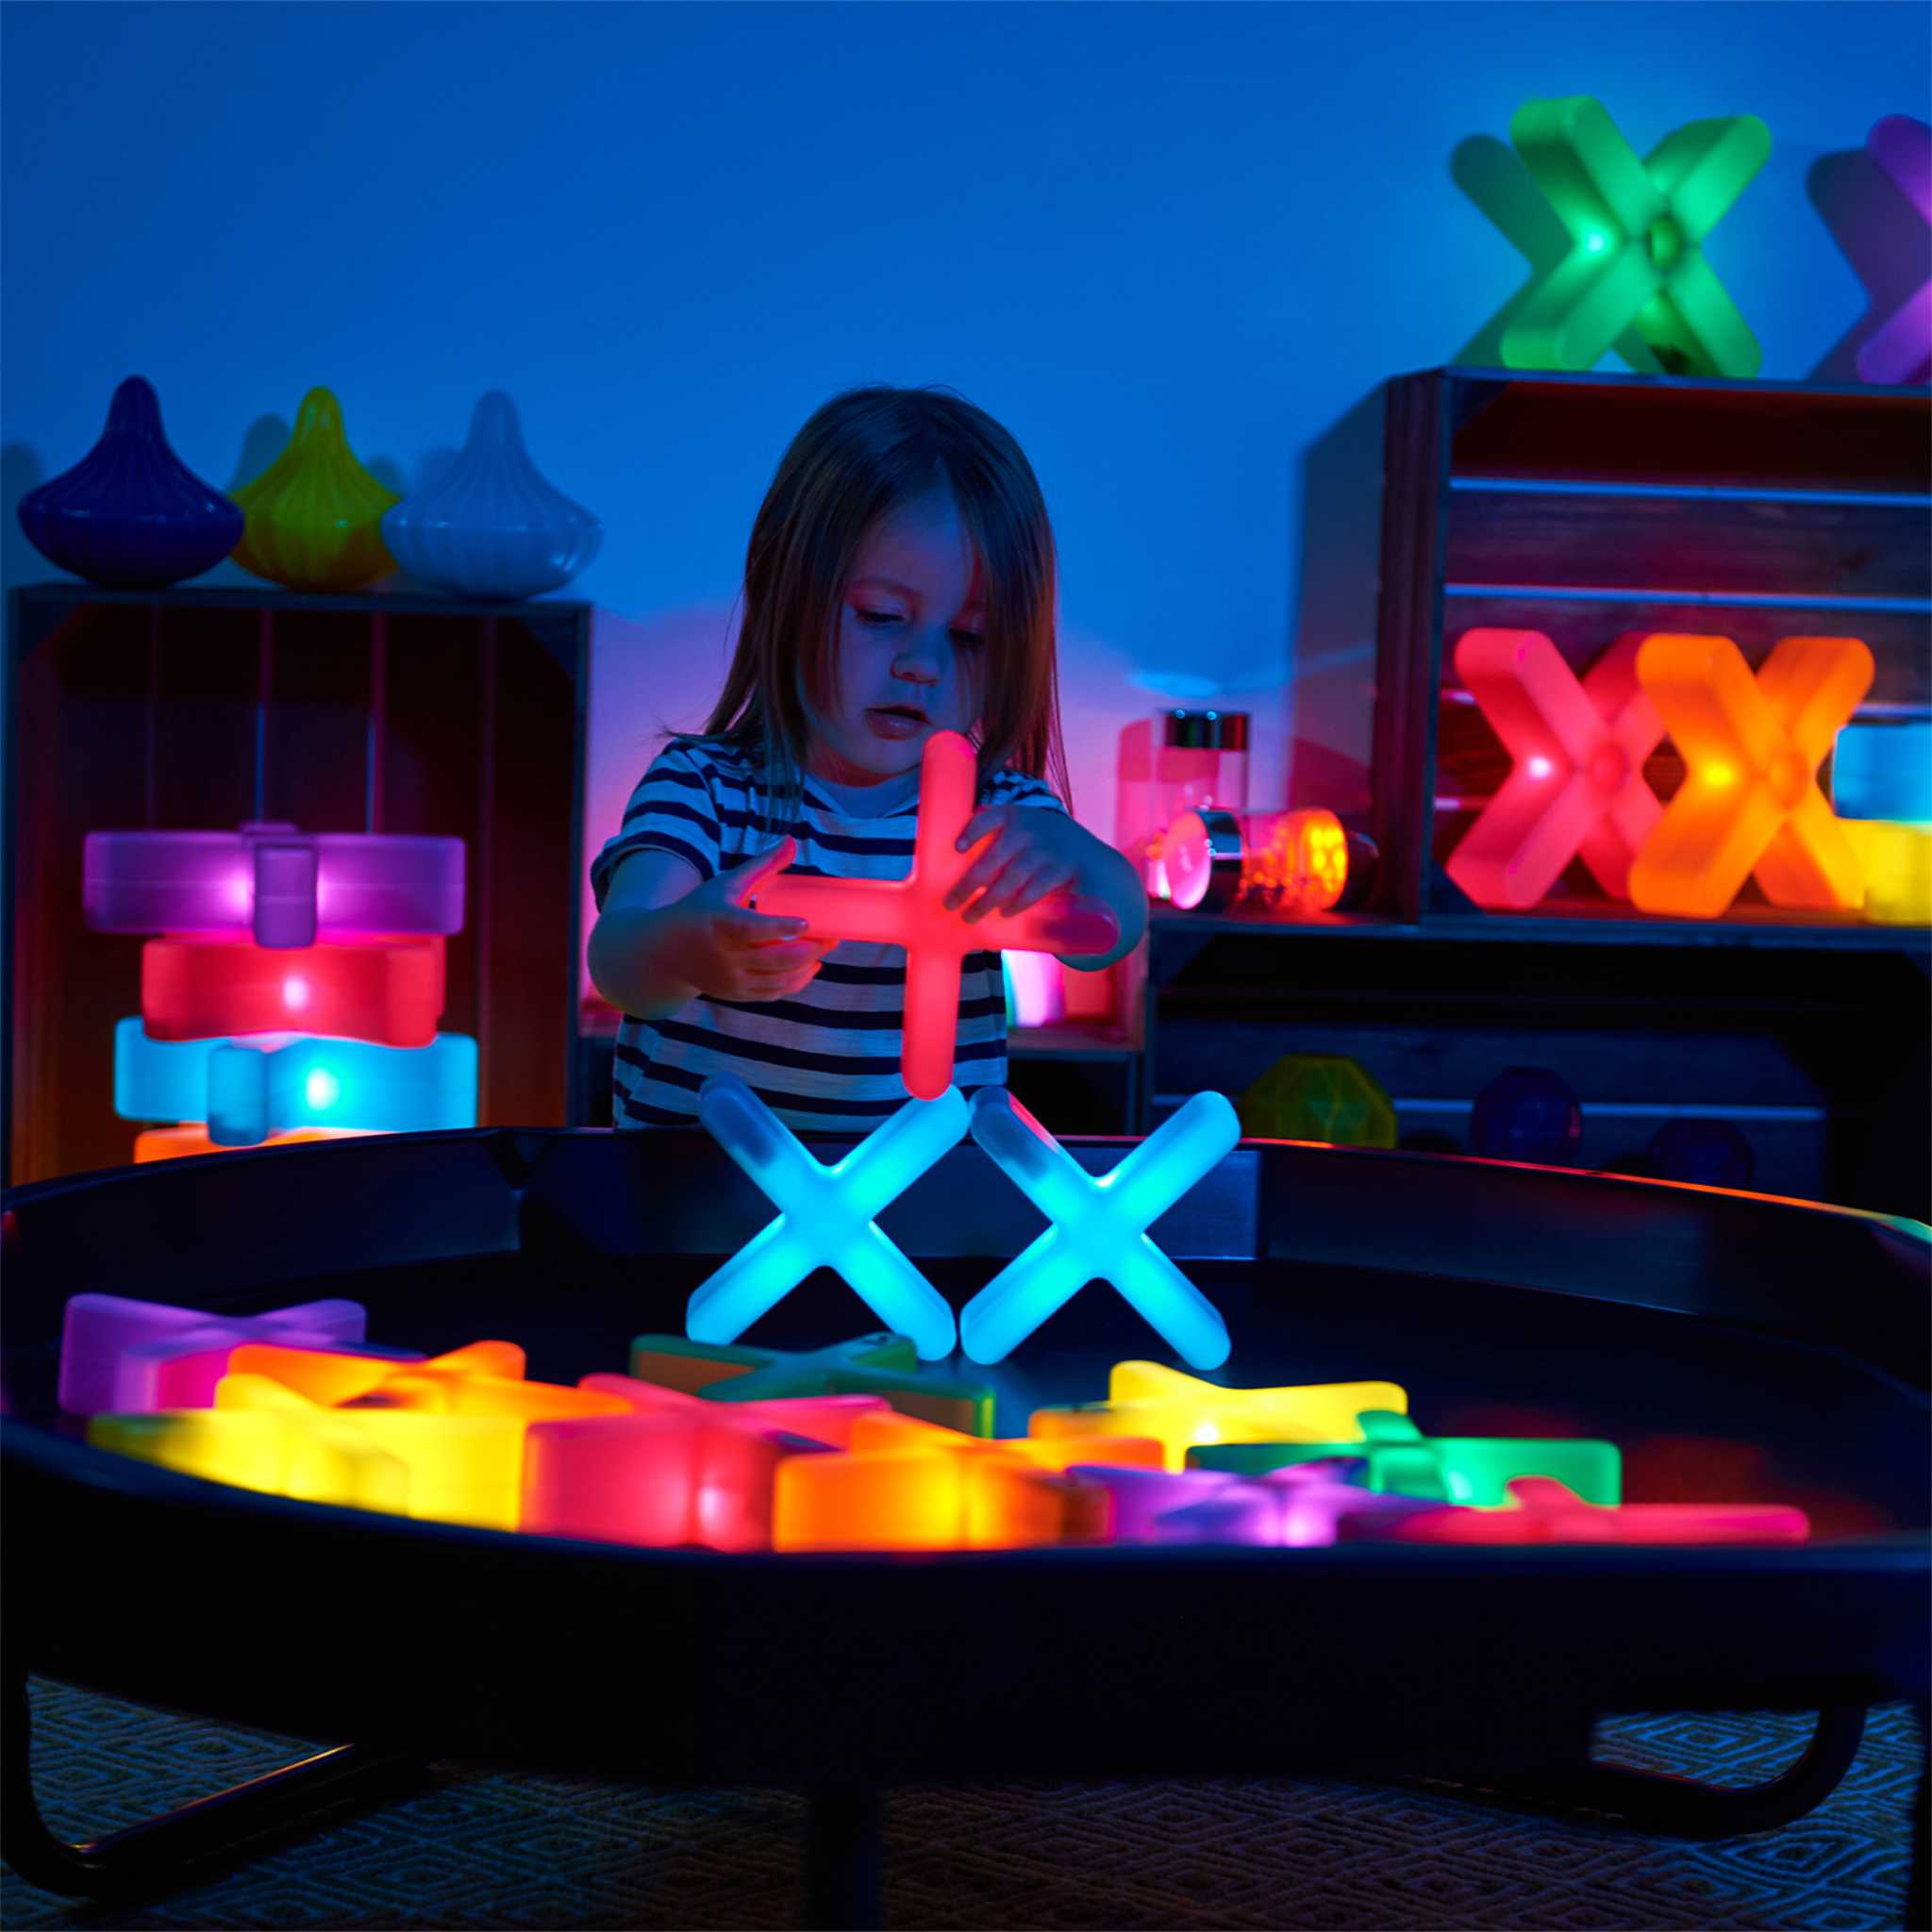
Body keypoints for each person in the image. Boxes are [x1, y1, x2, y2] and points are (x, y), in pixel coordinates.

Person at [586, 383, 1148, 1132]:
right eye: (882, 617)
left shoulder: (1000, 819)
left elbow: (1110, 932)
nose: (923, 664)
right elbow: (619, 958)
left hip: (918, 1194)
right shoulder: (705, 789)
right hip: (701, 1189)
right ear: (785, 589)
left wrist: (1074, 854)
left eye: (970, 637)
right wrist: (683, 951)